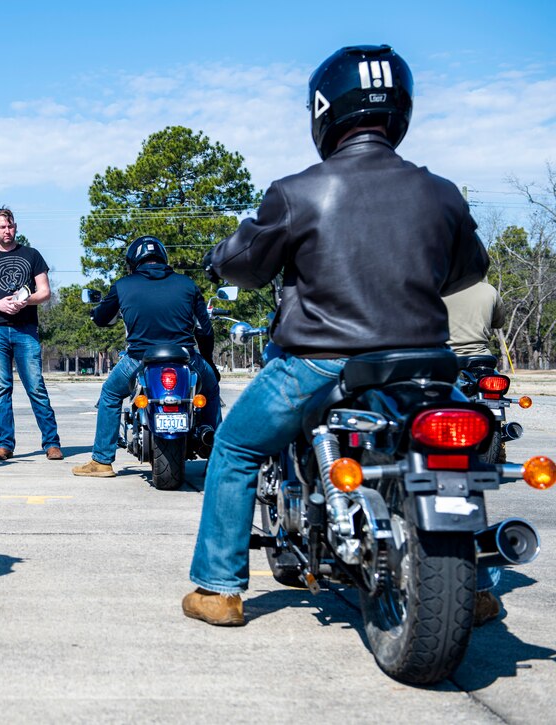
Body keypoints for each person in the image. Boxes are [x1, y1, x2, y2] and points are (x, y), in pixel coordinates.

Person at [181, 45, 489, 627]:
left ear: (325, 110)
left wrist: (218, 259)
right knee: (459, 454)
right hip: (425, 362)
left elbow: (248, 262)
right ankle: (472, 586)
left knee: (236, 447)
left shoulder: (299, 192)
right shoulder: (442, 191)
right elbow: (470, 266)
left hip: (320, 362)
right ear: (399, 107)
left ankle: (218, 589)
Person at [72, 236, 221, 477]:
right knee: (211, 389)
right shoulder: (187, 285)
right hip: (185, 357)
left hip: (139, 359)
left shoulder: (123, 285)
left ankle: (102, 461)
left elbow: (101, 319)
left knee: (110, 393)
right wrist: (209, 362)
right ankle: (218, 458)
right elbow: (205, 331)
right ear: (163, 258)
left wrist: (98, 311)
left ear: (133, 262)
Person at [0, 207, 63, 461]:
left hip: (25, 330)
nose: (6, 231)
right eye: (1, 227)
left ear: (16, 227)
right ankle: (4, 444)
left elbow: (45, 292)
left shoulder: (32, 255)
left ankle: (52, 443)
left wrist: (25, 301)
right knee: (1, 389)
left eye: (9, 227)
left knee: (36, 386)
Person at [443, 278, 507, 625]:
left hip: (447, 361)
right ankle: (481, 587)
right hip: (482, 359)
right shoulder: (490, 290)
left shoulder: (436, 287)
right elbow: (498, 321)